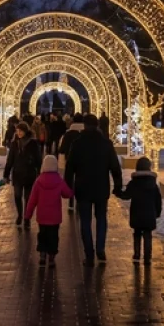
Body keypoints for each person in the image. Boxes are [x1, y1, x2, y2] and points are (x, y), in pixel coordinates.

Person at [64, 113, 122, 266]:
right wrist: (117, 185)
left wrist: (67, 186)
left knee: (85, 220)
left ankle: (89, 253)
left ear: (84, 125)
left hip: (83, 188)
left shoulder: (77, 143)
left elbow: (70, 167)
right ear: (97, 125)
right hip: (101, 187)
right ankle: (100, 248)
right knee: (101, 218)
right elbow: (115, 166)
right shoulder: (106, 143)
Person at [25, 155, 73, 266]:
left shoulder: (38, 181)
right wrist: (72, 192)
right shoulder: (59, 180)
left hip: (42, 217)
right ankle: (52, 256)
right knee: (53, 236)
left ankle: (42, 254)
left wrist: (28, 214)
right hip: (55, 217)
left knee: (42, 234)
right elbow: (67, 194)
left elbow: (32, 200)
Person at [114, 156, 162, 265]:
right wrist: (157, 212)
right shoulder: (153, 184)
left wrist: (118, 193)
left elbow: (127, 195)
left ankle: (136, 254)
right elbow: (158, 200)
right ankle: (147, 256)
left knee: (137, 234)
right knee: (148, 234)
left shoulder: (134, 183)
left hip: (137, 214)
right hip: (149, 215)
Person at [3, 121, 42, 229]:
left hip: (29, 174)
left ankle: (27, 218)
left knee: (28, 198)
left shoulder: (33, 143)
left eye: (20, 131)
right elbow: (10, 159)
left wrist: (39, 171)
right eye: (17, 131)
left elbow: (38, 159)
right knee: (17, 195)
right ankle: (20, 214)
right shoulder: (14, 143)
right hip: (17, 174)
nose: (18, 133)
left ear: (25, 131)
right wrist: (6, 174)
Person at [58, 113, 85, 212]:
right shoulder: (85, 133)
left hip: (70, 160)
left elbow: (62, 148)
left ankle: (71, 203)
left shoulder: (68, 133)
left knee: (70, 181)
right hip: (83, 161)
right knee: (81, 181)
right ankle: (79, 201)